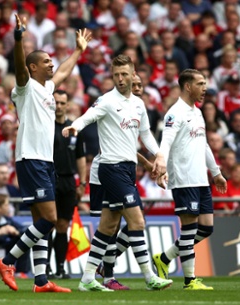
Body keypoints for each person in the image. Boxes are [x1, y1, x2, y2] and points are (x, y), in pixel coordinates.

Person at [0, 14, 91, 293]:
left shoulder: (47, 87)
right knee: (49, 219)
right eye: (46, 61)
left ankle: (40, 281)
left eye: (51, 60)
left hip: (43, 161)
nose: (51, 64)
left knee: (41, 223)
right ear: (33, 66)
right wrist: (20, 38)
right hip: (31, 158)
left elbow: (63, 72)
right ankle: (7, 261)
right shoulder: (24, 88)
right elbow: (19, 66)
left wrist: (77, 51)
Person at [62, 54, 172, 291]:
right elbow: (88, 116)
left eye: (124, 74)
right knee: (137, 221)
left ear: (133, 74)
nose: (120, 79)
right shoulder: (107, 100)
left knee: (108, 226)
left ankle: (87, 278)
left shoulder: (139, 104)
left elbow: (145, 136)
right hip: (111, 169)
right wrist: (75, 126)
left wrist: (159, 155)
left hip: (128, 169)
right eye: (116, 75)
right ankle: (149, 277)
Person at [151, 69, 227, 290]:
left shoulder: (197, 112)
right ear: (187, 86)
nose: (205, 88)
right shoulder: (175, 113)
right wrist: (161, 161)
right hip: (184, 179)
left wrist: (216, 173)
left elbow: (203, 145)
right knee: (189, 230)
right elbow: (166, 141)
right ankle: (189, 280)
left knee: (206, 228)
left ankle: (164, 258)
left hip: (200, 180)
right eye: (200, 84)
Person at [46, 89, 87, 279]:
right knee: (47, 224)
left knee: (63, 225)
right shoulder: (45, 126)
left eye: (63, 103)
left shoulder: (74, 129)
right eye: (56, 102)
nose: (59, 106)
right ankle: (44, 268)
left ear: (68, 105)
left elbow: (80, 157)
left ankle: (60, 268)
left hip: (69, 182)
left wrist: (82, 183)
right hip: (49, 179)